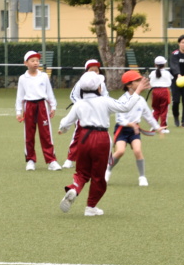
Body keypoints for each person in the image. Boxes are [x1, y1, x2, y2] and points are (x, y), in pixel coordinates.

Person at [58, 71, 150, 216]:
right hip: (101, 138)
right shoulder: (105, 101)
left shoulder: (79, 104)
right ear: (99, 88)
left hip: (83, 138)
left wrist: (62, 130)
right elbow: (125, 106)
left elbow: (65, 123)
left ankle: (74, 189)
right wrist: (138, 91)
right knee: (98, 175)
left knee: (82, 172)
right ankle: (91, 207)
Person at [105, 70, 162, 187]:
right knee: (120, 151)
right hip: (122, 129)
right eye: (137, 80)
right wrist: (131, 124)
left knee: (137, 151)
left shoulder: (141, 100)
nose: (141, 82)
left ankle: (142, 177)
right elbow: (119, 119)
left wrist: (158, 127)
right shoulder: (122, 100)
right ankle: (107, 171)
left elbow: (148, 116)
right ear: (129, 85)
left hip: (134, 131)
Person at [15, 51, 62, 171]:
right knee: (29, 134)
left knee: (46, 134)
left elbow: (49, 92)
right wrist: (18, 111)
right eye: (32, 61)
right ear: (26, 63)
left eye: (37, 60)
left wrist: (53, 106)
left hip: (42, 106)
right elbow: (20, 96)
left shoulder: (44, 76)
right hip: (29, 106)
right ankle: (30, 160)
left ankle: (51, 160)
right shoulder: (22, 78)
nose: (36, 63)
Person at [63, 59, 108, 168]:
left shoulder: (101, 84)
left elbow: (106, 96)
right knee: (78, 135)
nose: (94, 73)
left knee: (98, 137)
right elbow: (73, 96)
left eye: (96, 70)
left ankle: (95, 160)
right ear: (86, 71)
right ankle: (70, 159)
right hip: (83, 115)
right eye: (91, 70)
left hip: (97, 115)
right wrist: (82, 106)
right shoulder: (80, 83)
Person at [149, 56, 172, 134]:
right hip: (164, 91)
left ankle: (153, 127)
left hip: (155, 91)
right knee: (164, 110)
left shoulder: (152, 73)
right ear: (164, 64)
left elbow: (151, 81)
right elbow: (170, 81)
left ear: (155, 64)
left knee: (155, 110)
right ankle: (163, 128)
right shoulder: (167, 73)